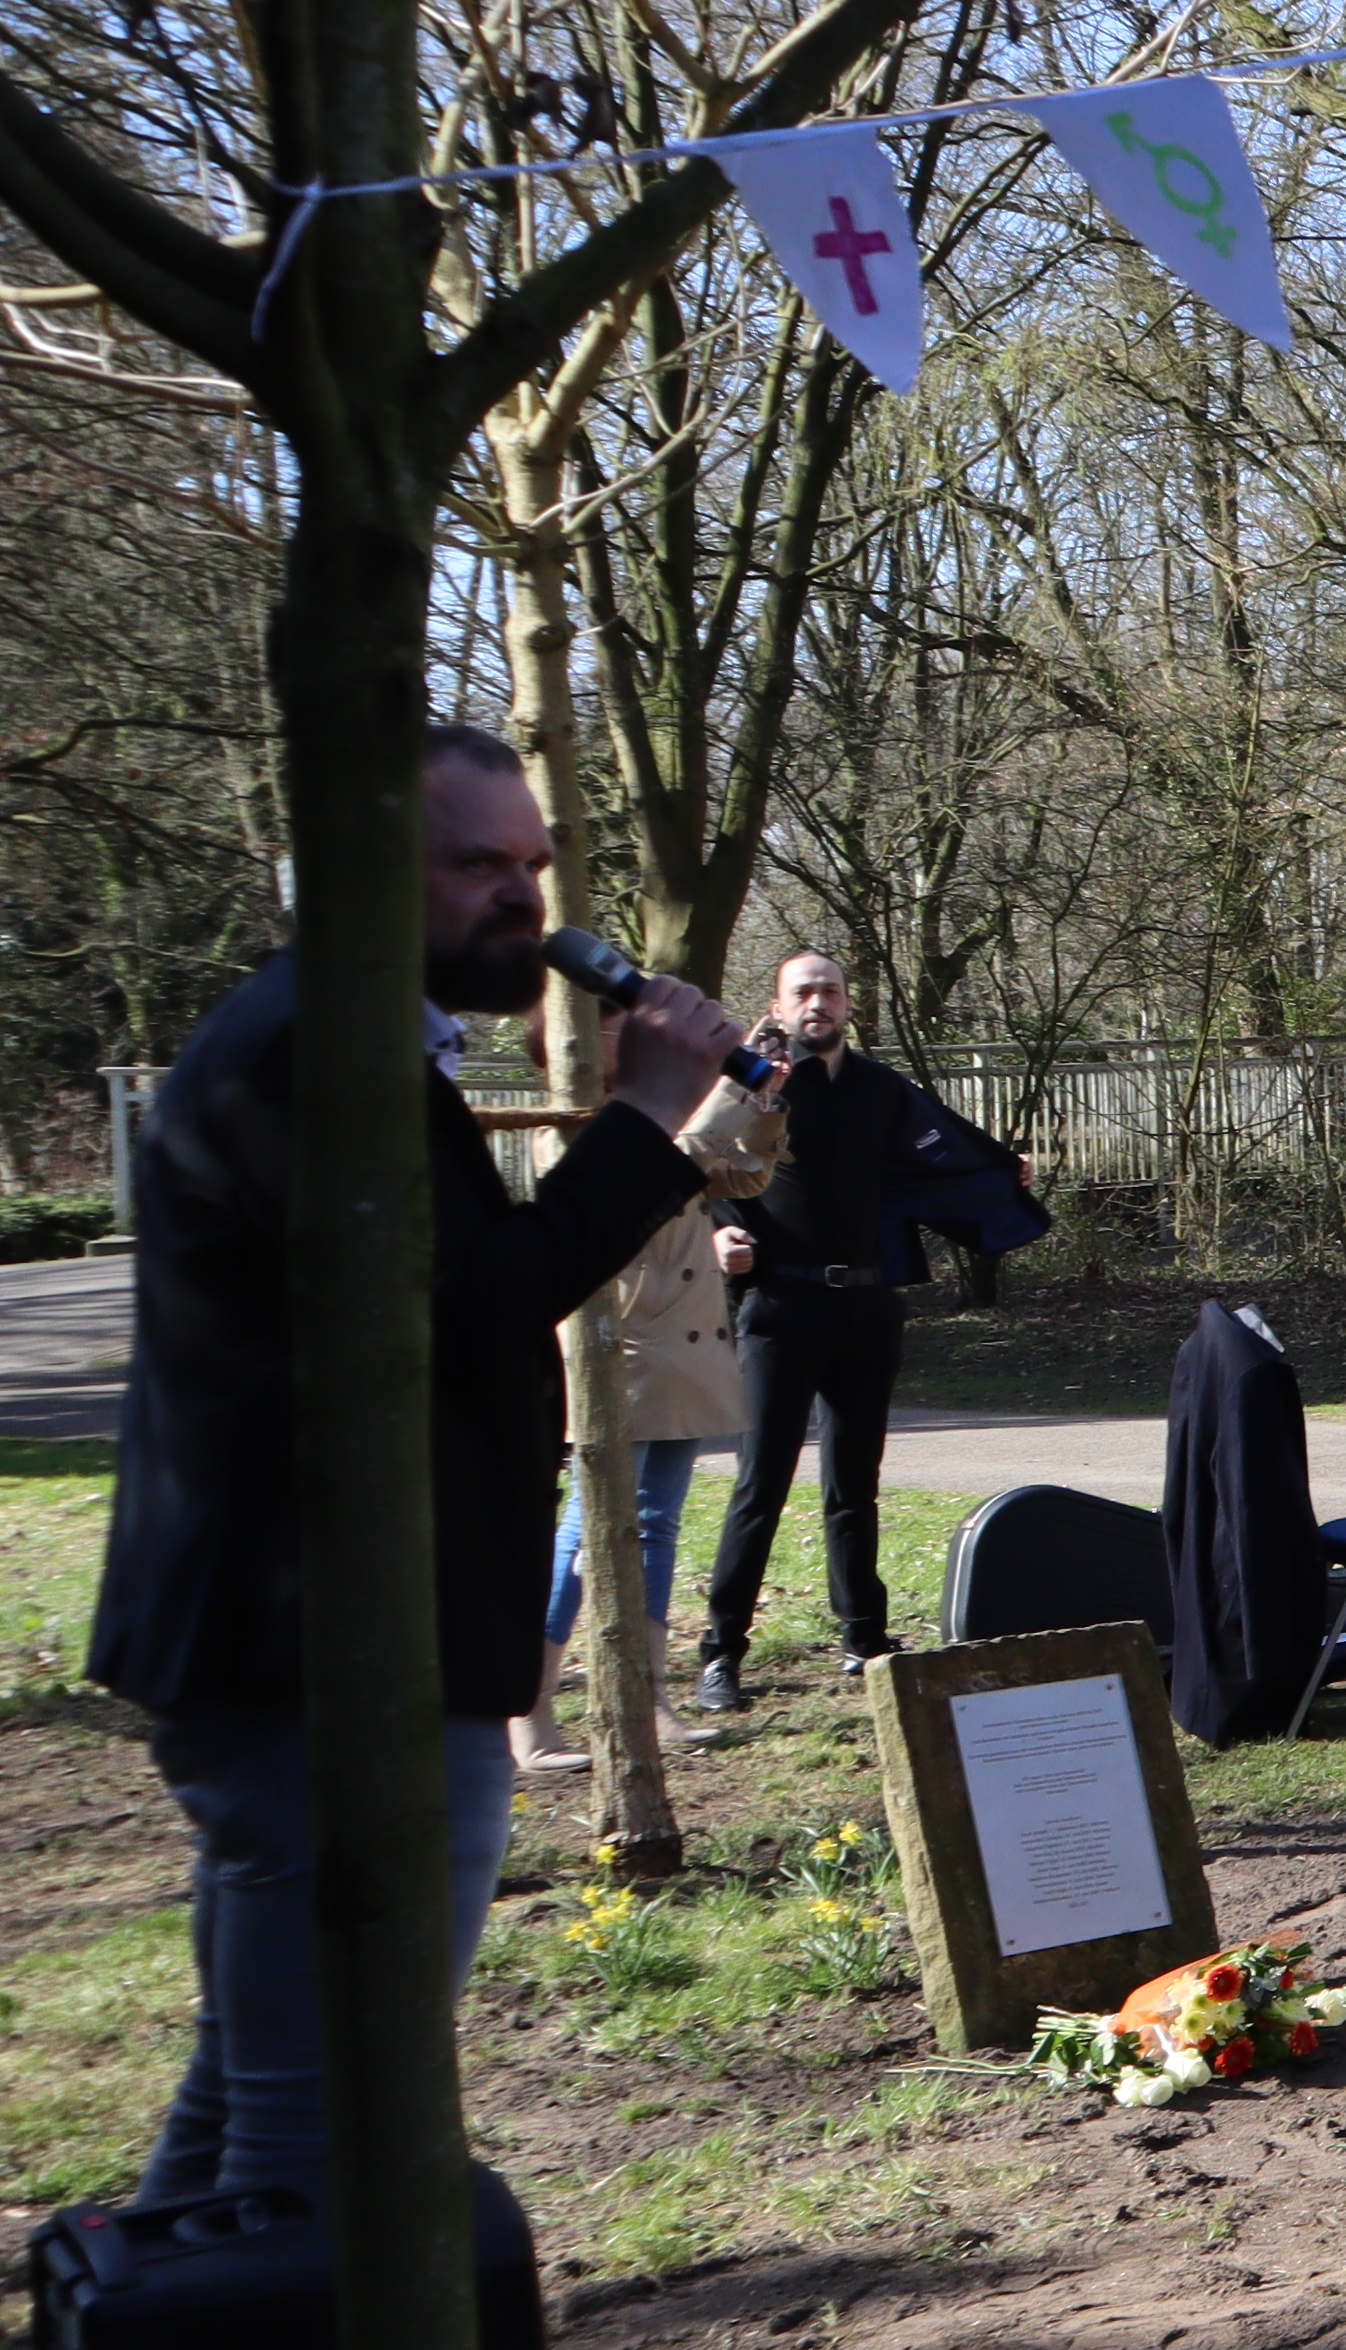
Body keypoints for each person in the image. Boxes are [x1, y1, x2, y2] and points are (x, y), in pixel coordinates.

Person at [97, 726, 739, 2203]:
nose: (524, 899)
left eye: (533, 864)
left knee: (256, 2111)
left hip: (341, 1651)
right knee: (316, 2135)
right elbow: (470, 1313)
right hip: (327, 1664)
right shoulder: (313, 1059)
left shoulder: (346, 1037)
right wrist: (645, 1119)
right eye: (475, 865)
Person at [696, 948, 933, 1704]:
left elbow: (937, 1159)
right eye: (803, 992)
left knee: (854, 1483)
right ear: (779, 1002)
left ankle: (864, 1638)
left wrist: (1004, 1173)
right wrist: (717, 1236)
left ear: (848, 1002)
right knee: (760, 1481)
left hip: (867, 1307)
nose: (818, 1003)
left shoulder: (881, 1088)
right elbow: (701, 1164)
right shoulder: (751, 1080)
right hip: (779, 1307)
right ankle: (721, 1651)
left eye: (830, 990)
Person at [530, 1069, 783, 1768]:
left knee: (658, 1526)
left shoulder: (665, 1116)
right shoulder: (580, 1127)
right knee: (587, 1528)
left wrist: (766, 1108)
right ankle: (531, 1711)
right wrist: (732, 1091)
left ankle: (649, 1700)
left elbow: (744, 1177)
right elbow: (670, 1168)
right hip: (622, 1348)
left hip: (682, 1353)